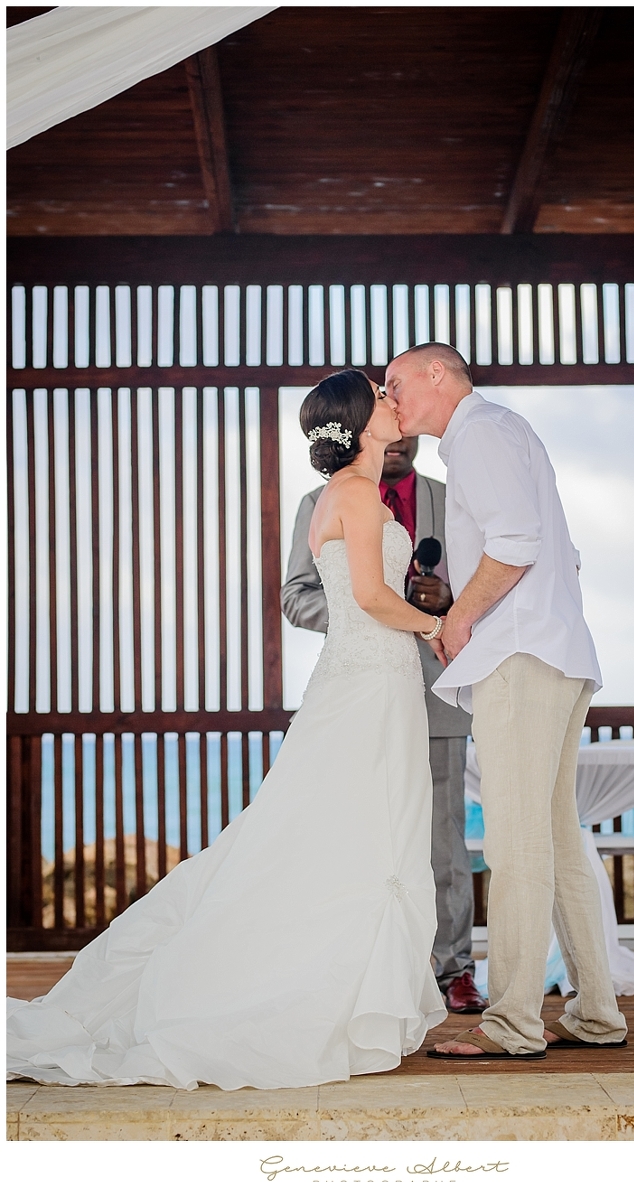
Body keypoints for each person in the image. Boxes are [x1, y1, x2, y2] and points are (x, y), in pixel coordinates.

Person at [7, 370, 449, 1091]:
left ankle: (339, 993)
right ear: (359, 420)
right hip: (368, 684)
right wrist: (435, 627)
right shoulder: (355, 494)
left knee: (347, 832)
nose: (392, 400)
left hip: (371, 681)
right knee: (345, 832)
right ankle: (296, 996)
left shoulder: (345, 494)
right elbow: (370, 597)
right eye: (380, 393)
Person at [385, 343, 628, 1060]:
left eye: (395, 383)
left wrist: (459, 619)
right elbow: (559, 552)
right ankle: (595, 1014)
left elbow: (518, 542)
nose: (390, 399)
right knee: (556, 839)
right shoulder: (503, 430)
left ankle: (513, 1022)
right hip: (555, 650)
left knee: (517, 843)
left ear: (437, 374)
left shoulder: (480, 434)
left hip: (522, 657)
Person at [282, 435, 486, 1014]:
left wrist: (448, 599)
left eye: (402, 427)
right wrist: (368, 611)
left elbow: (484, 585)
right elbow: (296, 597)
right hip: (364, 687)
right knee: (351, 830)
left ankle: (455, 970)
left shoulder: (450, 500)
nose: (395, 439)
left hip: (436, 693)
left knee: (443, 840)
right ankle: (362, 966)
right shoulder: (318, 501)